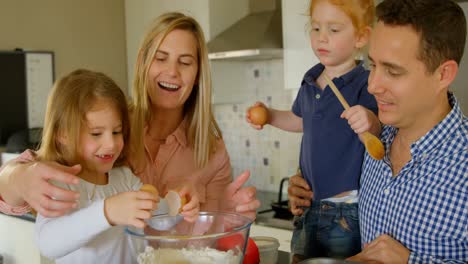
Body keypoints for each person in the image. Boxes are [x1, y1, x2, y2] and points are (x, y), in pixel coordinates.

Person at [0, 12, 259, 219]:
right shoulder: (110, 129)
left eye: (185, 62)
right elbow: (21, 178)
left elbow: (212, 242)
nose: (172, 72)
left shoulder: (213, 151)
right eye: (161, 58)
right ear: (143, 64)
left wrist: (228, 213)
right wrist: (19, 178)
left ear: (198, 74)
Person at [290, 0, 467, 262]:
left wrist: (410, 261)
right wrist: (305, 185)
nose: (372, 86)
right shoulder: (368, 140)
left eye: (393, 71)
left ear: (443, 74)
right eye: (373, 66)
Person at [247, 0, 380, 261]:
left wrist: (369, 120)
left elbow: (379, 127)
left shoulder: (365, 83)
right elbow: (299, 120)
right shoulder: (310, 80)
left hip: (345, 210)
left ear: (361, 37)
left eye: (334, 29)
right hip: (308, 206)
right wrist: (271, 115)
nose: (322, 38)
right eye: (316, 28)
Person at [34, 69, 199, 263]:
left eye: (116, 132)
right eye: (96, 133)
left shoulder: (125, 178)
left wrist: (179, 203)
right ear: (63, 135)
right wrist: (106, 212)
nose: (111, 144)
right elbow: (48, 243)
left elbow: (159, 218)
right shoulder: (60, 185)